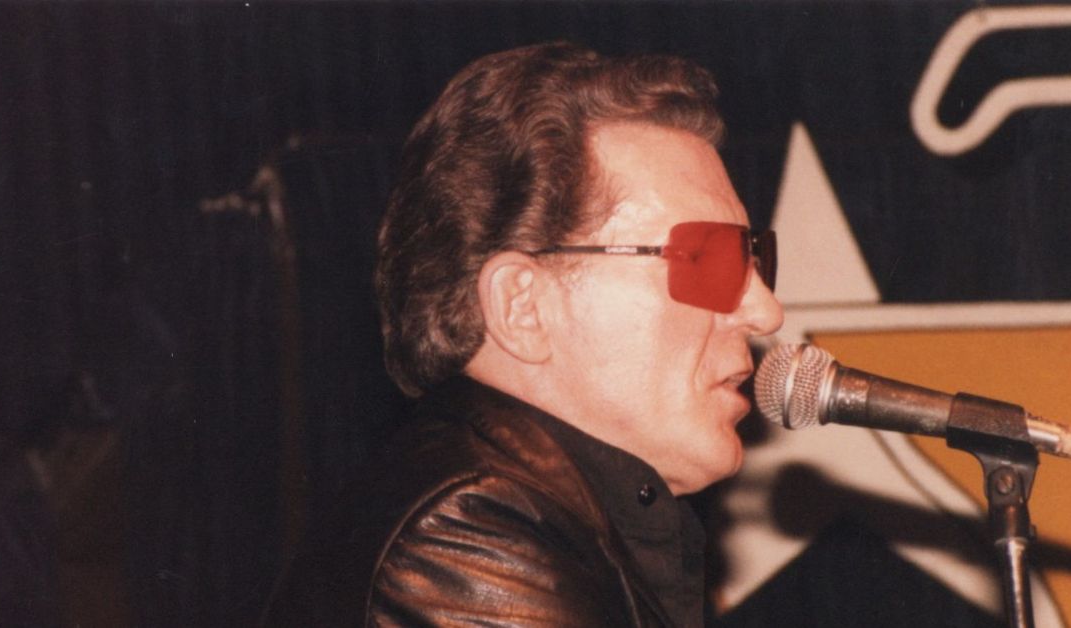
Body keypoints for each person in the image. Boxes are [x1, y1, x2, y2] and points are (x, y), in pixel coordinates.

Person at [264, 41, 783, 627]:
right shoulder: (464, 535)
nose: (765, 311)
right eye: (710, 260)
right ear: (523, 307)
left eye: (755, 260)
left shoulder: (549, 521)